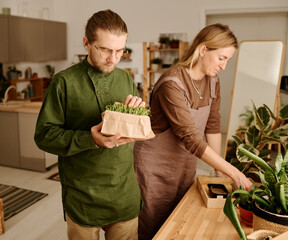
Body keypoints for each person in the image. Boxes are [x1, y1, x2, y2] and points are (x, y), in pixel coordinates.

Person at [133, 23, 253, 240]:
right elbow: (190, 137)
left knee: (180, 221)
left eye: (228, 60)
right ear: (203, 49)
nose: (224, 66)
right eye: (222, 58)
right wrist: (233, 172)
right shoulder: (172, 82)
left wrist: (219, 173)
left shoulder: (213, 81)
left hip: (185, 163)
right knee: (154, 228)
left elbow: (213, 125)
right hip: (155, 166)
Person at [35, 9, 144, 240]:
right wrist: (90, 138)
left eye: (120, 51)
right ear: (86, 43)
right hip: (83, 196)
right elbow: (44, 135)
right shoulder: (63, 82)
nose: (112, 59)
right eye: (104, 49)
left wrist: (137, 113)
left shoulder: (125, 78)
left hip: (124, 192)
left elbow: (135, 127)